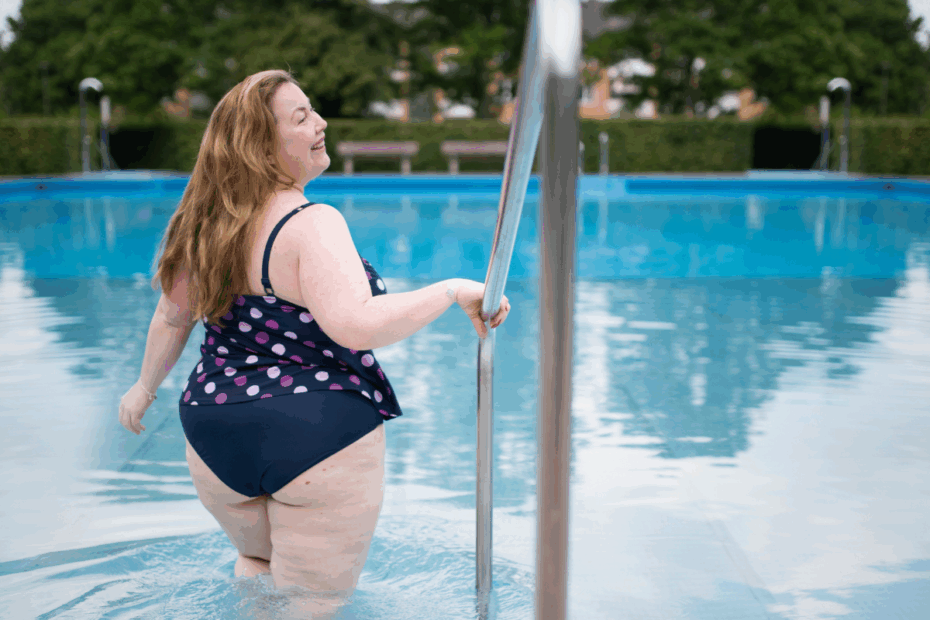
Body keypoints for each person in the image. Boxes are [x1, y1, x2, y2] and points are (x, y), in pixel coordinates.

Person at [117, 69, 511, 615]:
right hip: (312, 433)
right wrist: (447, 292)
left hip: (213, 431)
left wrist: (142, 387)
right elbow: (354, 325)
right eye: (302, 117)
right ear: (262, 145)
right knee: (313, 602)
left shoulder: (206, 226)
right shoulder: (310, 223)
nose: (321, 124)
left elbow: (171, 316)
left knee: (257, 569)